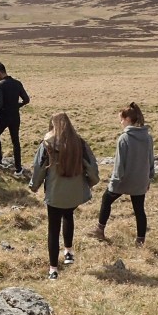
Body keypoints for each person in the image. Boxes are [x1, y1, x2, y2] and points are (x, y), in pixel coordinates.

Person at [30, 112, 100, 280]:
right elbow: (92, 167)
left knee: (53, 230)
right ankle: (68, 252)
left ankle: (53, 269)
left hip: (55, 193)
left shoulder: (47, 144)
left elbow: (39, 168)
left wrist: (34, 186)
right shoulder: (79, 143)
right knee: (68, 215)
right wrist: (89, 183)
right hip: (74, 193)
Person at [91, 102, 155, 246]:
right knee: (139, 209)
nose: (120, 122)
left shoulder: (124, 139)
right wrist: (149, 178)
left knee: (106, 199)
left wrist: (114, 183)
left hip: (124, 180)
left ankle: (99, 230)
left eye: (121, 119)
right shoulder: (147, 137)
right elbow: (151, 159)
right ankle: (140, 240)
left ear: (127, 119)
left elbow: (119, 166)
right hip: (140, 181)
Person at [0, 62, 30, 177]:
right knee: (15, 141)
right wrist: (17, 106)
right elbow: (26, 99)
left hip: (3, 115)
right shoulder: (17, 83)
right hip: (15, 115)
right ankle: (18, 168)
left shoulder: (1, 84)